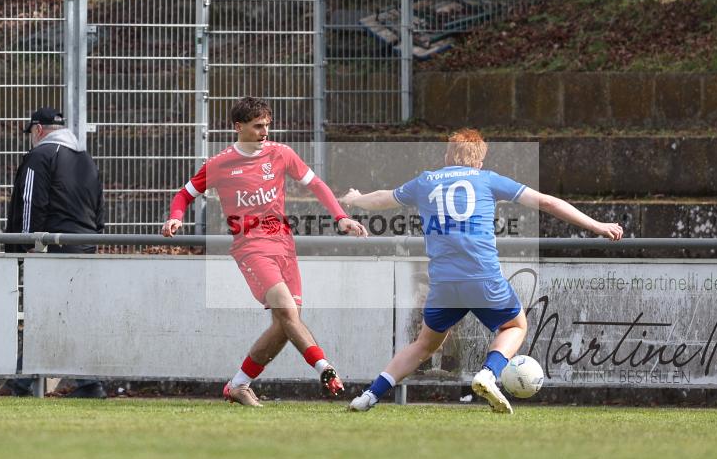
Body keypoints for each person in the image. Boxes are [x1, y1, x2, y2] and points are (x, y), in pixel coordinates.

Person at [341, 128, 623, 413]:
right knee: (515, 326)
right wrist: (597, 226)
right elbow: (548, 202)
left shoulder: (425, 181)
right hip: (482, 277)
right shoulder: (487, 180)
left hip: (444, 284)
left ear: (447, 155)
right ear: (478, 162)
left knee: (424, 345)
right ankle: (488, 374)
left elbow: (381, 199)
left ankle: (368, 396)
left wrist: (355, 198)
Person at [161, 96, 368, 407]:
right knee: (287, 312)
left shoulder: (281, 154)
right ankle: (325, 368)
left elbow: (317, 185)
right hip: (251, 248)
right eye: (258, 126)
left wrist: (341, 217)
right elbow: (184, 195)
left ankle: (239, 385)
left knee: (284, 325)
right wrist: (175, 217)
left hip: (284, 245)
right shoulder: (219, 164)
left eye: (267, 126)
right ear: (238, 127)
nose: (264, 132)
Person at [0, 106, 107, 399]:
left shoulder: (40, 156)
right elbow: (99, 208)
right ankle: (82, 383)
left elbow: (30, 201)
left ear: (37, 130)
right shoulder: (85, 159)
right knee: (69, 315)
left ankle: (25, 381)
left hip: (51, 249)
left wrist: (26, 245)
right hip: (83, 246)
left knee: (46, 313)